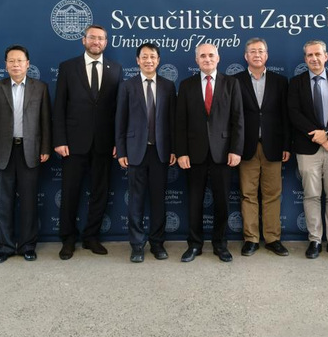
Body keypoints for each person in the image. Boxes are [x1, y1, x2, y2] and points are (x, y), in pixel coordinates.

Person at [53, 24, 122, 260]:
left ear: (106, 42)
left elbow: (118, 110)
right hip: (73, 143)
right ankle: (68, 239)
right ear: (83, 40)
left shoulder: (116, 69)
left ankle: (91, 237)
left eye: (101, 38)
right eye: (92, 37)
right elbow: (59, 106)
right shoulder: (67, 67)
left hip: (104, 143)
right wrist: (60, 139)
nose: (96, 42)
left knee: (100, 192)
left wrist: (118, 141)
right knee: (70, 192)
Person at [0, 45, 51, 263]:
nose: (16, 65)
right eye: (11, 61)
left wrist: (45, 148)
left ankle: (27, 246)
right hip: (3, 152)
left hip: (30, 151)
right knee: (4, 202)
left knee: (29, 203)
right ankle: (4, 247)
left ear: (27, 64)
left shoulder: (40, 88)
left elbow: (45, 121)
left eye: (20, 61)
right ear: (5, 65)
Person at [176, 43, 244, 263]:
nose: (207, 59)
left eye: (211, 55)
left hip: (222, 154)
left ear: (218, 58)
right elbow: (180, 123)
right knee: (194, 202)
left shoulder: (231, 83)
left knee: (222, 202)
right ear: (196, 60)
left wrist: (236, 149)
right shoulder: (186, 85)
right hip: (194, 154)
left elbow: (238, 120)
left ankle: (220, 244)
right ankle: (194, 245)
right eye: (202, 56)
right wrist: (181, 152)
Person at [288, 40, 328, 260]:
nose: (314, 58)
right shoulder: (296, 83)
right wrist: (319, 137)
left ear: (326, 56)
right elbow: (294, 113)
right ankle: (315, 240)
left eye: (318, 54)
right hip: (308, 148)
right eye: (309, 55)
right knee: (311, 195)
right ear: (305, 59)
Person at [115, 43, 177, 263]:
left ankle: (157, 243)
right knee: (136, 200)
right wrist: (121, 150)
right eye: (144, 57)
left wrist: (174, 149)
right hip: (135, 151)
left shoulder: (168, 86)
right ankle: (137, 245)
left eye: (152, 57)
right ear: (137, 60)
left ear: (158, 60)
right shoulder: (127, 86)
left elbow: (173, 121)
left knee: (158, 200)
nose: (148, 60)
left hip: (160, 151)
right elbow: (120, 120)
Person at [235, 38, 291, 257]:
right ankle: (251, 239)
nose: (257, 54)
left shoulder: (280, 81)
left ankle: (272, 238)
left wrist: (286, 144)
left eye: (260, 51)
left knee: (272, 194)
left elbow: (285, 116)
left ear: (266, 55)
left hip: (273, 146)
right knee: (248, 194)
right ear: (246, 56)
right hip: (246, 147)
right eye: (252, 51)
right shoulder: (235, 81)